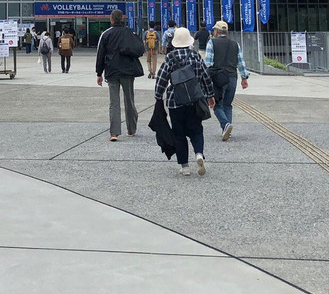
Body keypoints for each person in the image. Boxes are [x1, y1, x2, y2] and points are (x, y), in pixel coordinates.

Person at [154, 27, 215, 176]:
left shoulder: (170, 57)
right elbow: (205, 75)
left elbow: (162, 77)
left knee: (179, 134)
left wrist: (158, 95)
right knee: (196, 130)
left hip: (176, 102)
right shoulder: (195, 56)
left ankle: (185, 166)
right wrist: (210, 94)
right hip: (195, 100)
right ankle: (199, 154)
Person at [95, 9, 144, 141]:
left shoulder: (106, 34)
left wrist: (99, 73)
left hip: (111, 71)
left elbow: (100, 54)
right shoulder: (129, 32)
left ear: (111, 19)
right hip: (128, 71)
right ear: (122, 18)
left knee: (114, 102)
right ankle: (131, 128)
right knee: (129, 100)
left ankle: (114, 133)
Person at [204, 20, 249, 140]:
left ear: (217, 32)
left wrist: (205, 80)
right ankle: (226, 130)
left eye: (214, 30)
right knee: (228, 105)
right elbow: (241, 62)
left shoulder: (212, 43)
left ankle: (225, 125)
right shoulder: (235, 44)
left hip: (218, 78)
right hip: (232, 77)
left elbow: (208, 63)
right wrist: (244, 78)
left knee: (217, 105)